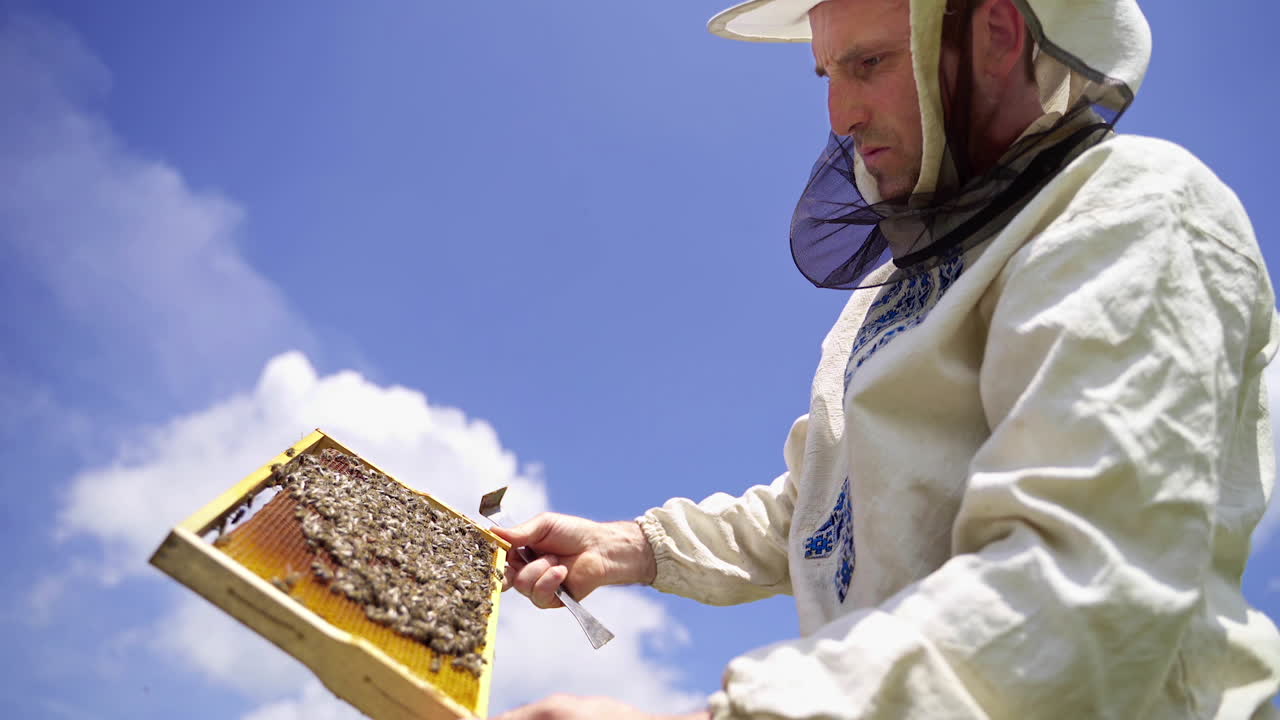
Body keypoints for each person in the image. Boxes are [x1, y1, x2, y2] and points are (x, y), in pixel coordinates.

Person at [492, 0, 1280, 718]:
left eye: (867, 64)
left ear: (997, 36)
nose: (839, 114)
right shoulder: (895, 291)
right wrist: (632, 546)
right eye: (826, 75)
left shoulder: (1136, 213)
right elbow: (824, 508)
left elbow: (1082, 589)